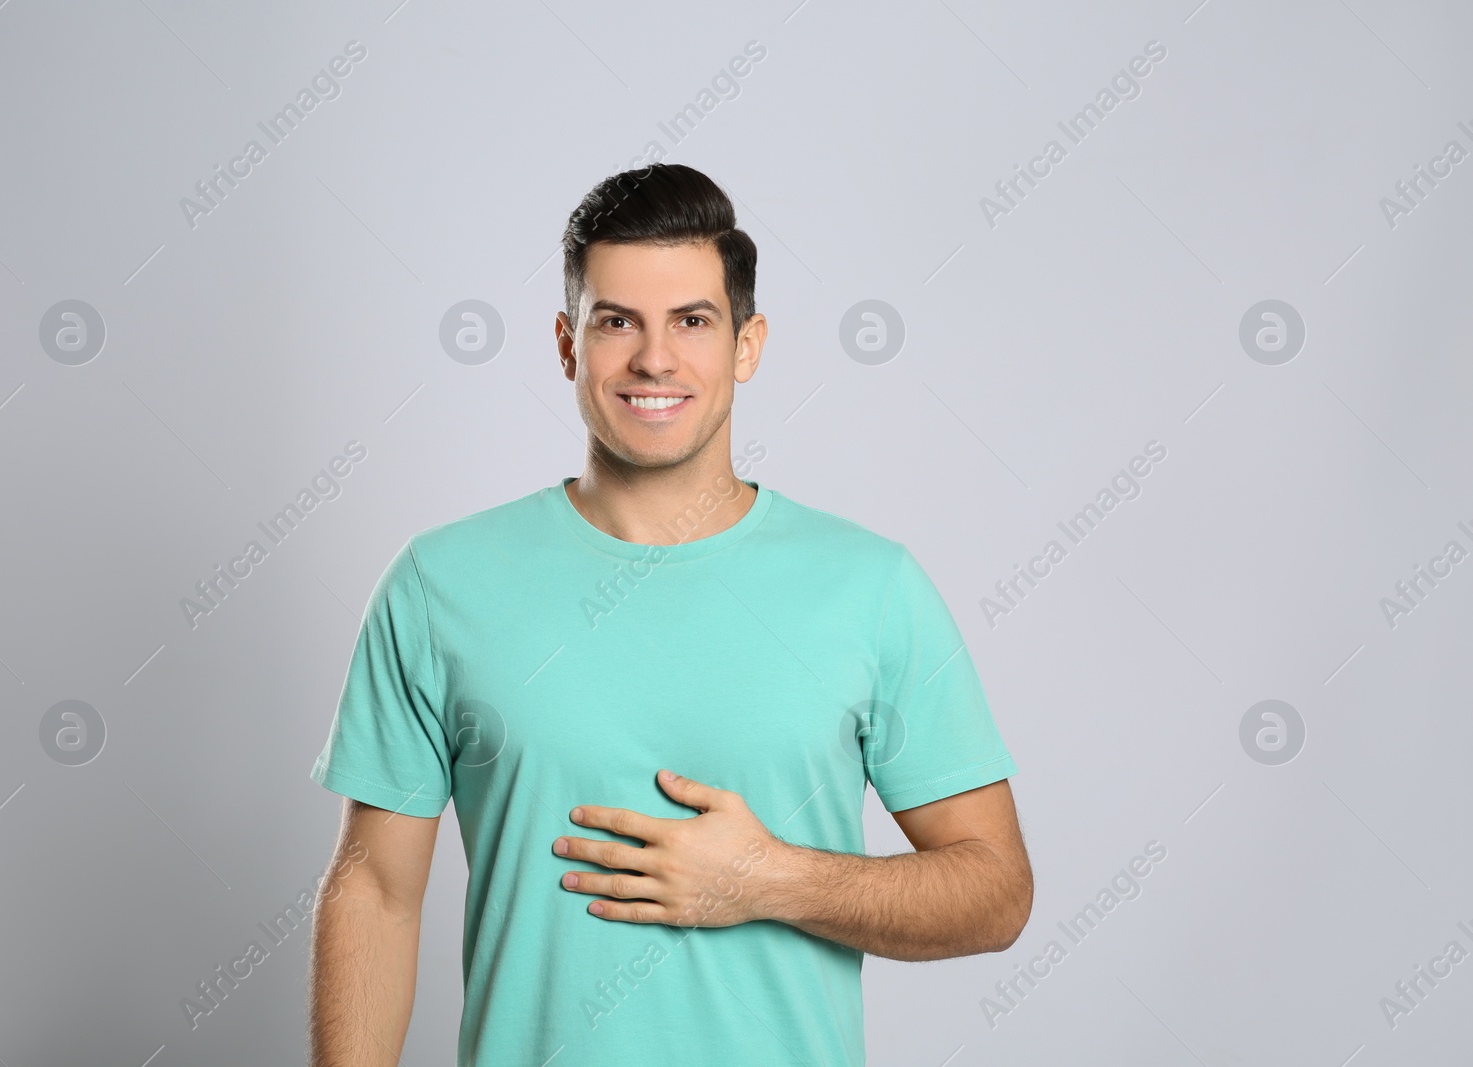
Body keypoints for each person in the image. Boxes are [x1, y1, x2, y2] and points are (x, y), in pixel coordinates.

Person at [307, 162, 1032, 1066]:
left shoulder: (869, 587)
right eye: (618, 322)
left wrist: (771, 880)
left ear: (747, 345)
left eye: (692, 320)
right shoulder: (439, 584)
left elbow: (995, 892)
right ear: (568, 344)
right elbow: (376, 889)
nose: (655, 358)